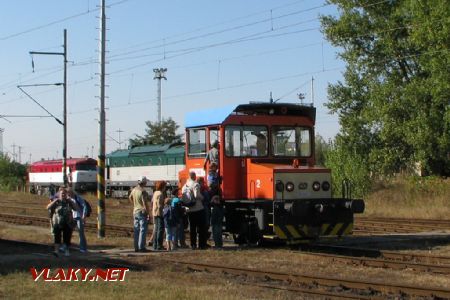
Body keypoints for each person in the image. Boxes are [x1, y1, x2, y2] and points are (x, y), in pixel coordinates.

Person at [47, 187, 78, 257]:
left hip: (67, 222)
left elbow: (76, 209)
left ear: (66, 194)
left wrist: (71, 201)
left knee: (66, 237)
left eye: (64, 193)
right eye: (61, 194)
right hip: (57, 222)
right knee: (57, 237)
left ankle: (66, 251)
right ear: (59, 194)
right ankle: (56, 251)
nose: (63, 195)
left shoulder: (68, 202)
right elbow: (48, 207)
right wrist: (54, 201)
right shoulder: (56, 201)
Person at [182, 172, 207, 250]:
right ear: (194, 176)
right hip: (198, 208)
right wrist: (203, 198)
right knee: (201, 228)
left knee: (192, 228)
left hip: (189, 209)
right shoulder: (195, 184)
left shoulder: (184, 186)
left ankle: (193, 244)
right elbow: (197, 195)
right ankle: (201, 245)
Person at [129, 176, 151, 252]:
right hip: (142, 211)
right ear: (144, 182)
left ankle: (136, 247)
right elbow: (145, 203)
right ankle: (141, 247)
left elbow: (130, 197)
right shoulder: (143, 191)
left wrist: (135, 204)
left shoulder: (134, 190)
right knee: (143, 229)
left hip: (135, 211)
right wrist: (148, 213)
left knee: (136, 229)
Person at [67, 187, 88, 253]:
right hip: (72, 217)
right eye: (68, 193)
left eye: (69, 193)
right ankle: (67, 246)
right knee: (68, 232)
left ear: (72, 192)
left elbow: (84, 206)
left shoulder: (78, 198)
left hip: (79, 217)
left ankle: (83, 248)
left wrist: (84, 216)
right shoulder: (68, 198)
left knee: (81, 233)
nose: (68, 194)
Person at [152, 180, 166, 251]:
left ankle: (155, 245)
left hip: (154, 212)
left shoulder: (155, 193)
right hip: (159, 213)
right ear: (162, 186)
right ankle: (159, 245)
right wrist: (163, 212)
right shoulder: (160, 194)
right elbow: (160, 205)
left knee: (156, 229)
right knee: (160, 229)